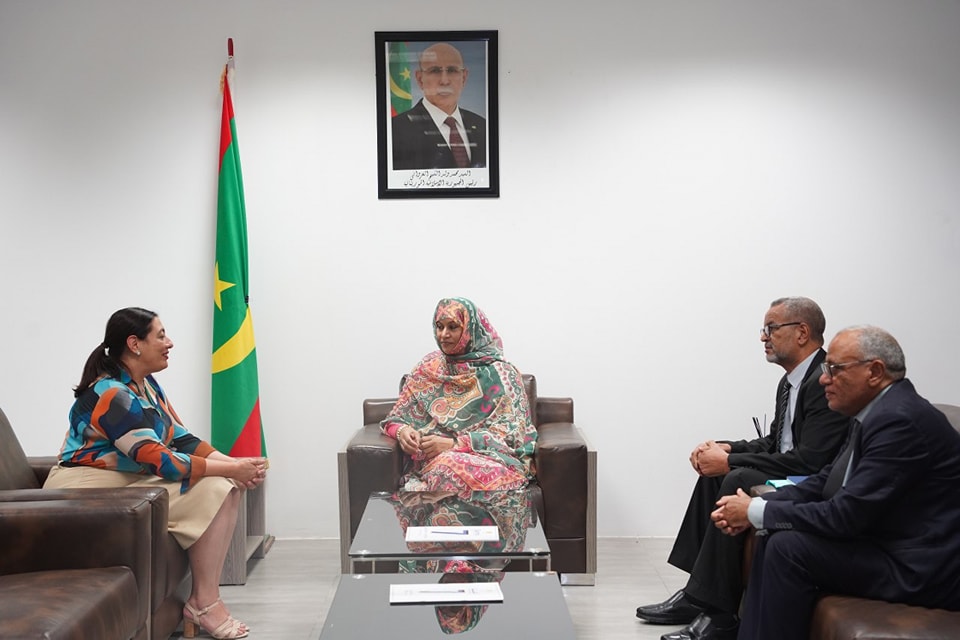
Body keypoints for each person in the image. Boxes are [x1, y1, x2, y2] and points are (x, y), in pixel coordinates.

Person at [712, 326, 960, 640]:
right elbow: (825, 481)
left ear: (875, 372)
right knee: (775, 536)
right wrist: (758, 506)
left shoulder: (900, 421)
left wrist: (754, 512)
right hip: (885, 544)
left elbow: (845, 516)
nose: (823, 379)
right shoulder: (875, 412)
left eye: (834, 369)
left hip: (918, 567)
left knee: (788, 549)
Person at [44, 307, 267, 640]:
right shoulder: (112, 395)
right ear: (134, 344)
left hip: (127, 479)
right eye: (161, 336)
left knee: (225, 486)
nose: (170, 343)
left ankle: (203, 601)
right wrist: (234, 468)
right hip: (86, 488)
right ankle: (205, 605)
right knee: (220, 484)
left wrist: (235, 465)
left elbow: (182, 438)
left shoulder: (146, 385)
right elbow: (161, 461)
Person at [635, 297, 849, 640]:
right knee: (716, 474)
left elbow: (809, 460)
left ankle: (720, 615)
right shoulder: (789, 382)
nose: (763, 337)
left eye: (771, 328)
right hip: (794, 467)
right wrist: (727, 448)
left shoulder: (823, 382)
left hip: (810, 478)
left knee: (736, 476)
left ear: (802, 332)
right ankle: (697, 593)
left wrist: (731, 462)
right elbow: (776, 442)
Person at [381, 297, 537, 495]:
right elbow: (395, 419)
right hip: (432, 463)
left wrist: (454, 444)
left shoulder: (502, 374)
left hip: (492, 459)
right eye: (439, 327)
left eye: (453, 327)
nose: (443, 334)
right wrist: (402, 432)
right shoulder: (427, 369)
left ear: (470, 330)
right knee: (445, 467)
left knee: (450, 467)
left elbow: (512, 436)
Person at [391, 43, 487, 170]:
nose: (444, 81)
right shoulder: (395, 130)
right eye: (435, 71)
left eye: (452, 70)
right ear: (420, 79)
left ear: (463, 78)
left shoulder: (483, 126)